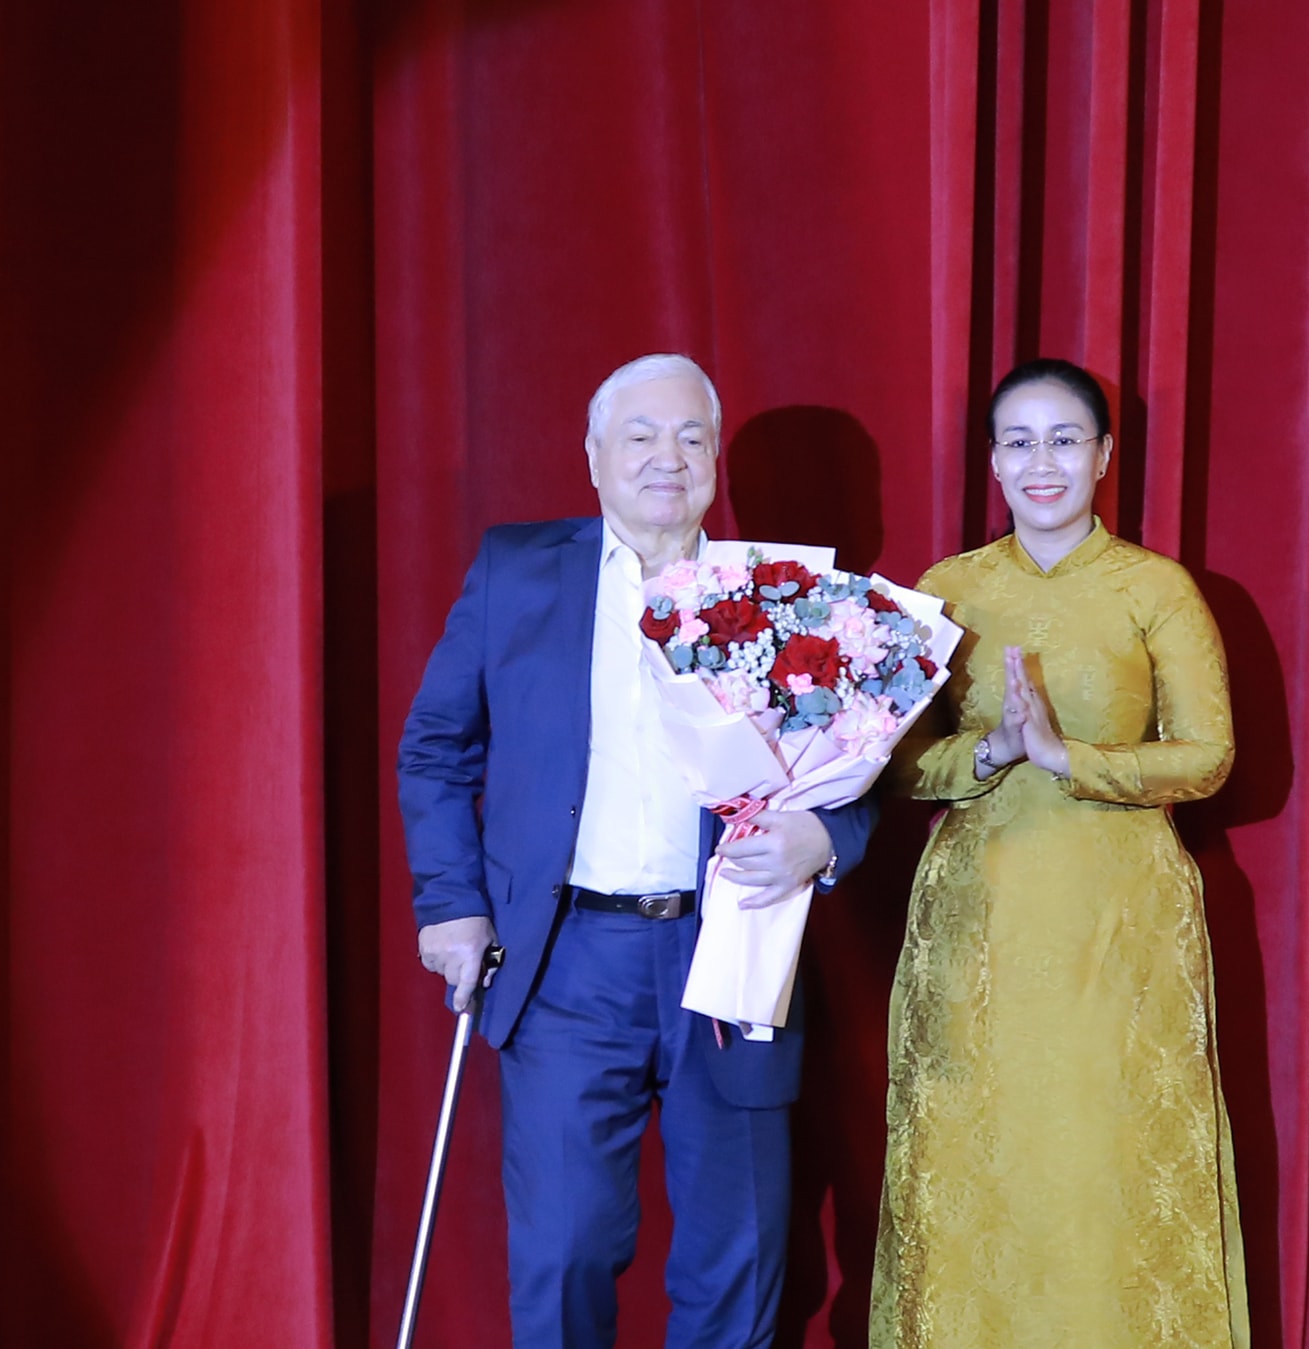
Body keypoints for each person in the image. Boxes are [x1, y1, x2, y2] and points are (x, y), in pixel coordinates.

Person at [399, 353, 877, 1349]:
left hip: (732, 951)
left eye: (692, 437)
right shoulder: (518, 570)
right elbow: (436, 747)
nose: (670, 457)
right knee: (563, 1247)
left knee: (736, 1261)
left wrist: (824, 837)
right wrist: (451, 902)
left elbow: (858, 768)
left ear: (715, 459)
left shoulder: (781, 594)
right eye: (642, 436)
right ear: (593, 456)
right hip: (567, 960)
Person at [869, 358, 1249, 1347]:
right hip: (978, 922)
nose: (1044, 463)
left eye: (1066, 440)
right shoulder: (946, 591)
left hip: (1116, 921)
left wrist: (1069, 757)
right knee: (977, 1154)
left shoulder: (1155, 588)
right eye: (1021, 441)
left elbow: (1208, 755)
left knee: (1103, 1158)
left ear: (1105, 455)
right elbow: (888, 764)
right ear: (994, 460)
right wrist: (990, 750)